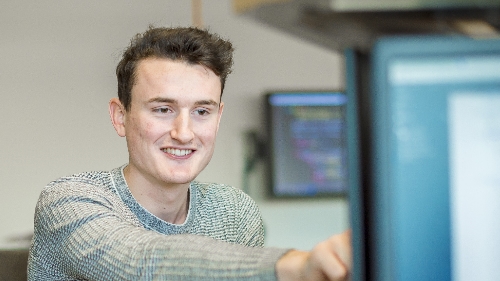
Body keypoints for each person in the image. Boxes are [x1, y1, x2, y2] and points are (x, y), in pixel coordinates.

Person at [28, 26, 351, 281]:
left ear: (218, 117)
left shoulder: (233, 213)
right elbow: (142, 263)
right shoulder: (69, 201)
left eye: (201, 111)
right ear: (120, 116)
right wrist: (296, 266)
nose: (184, 132)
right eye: (163, 109)